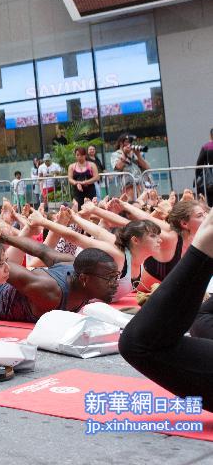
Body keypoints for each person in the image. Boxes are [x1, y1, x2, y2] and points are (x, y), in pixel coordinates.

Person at [119, 207, 213, 408]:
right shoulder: (172, 240)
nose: (157, 239)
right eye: (200, 214)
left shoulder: (172, 241)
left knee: (137, 345)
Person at [196, 128, 213, 206]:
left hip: (210, 180)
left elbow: (199, 163)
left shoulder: (206, 147)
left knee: (211, 202)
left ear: (210, 136)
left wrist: (197, 176)